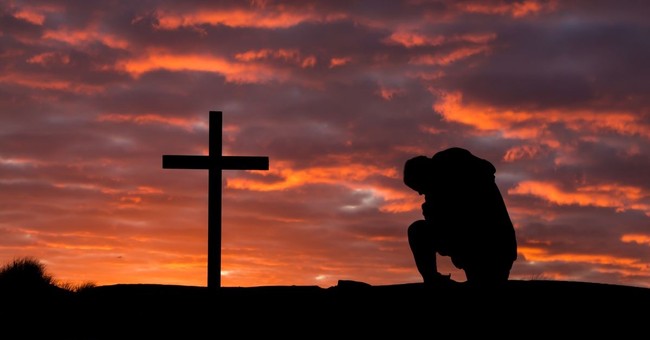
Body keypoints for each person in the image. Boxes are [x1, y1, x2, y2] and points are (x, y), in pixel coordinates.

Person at [404, 147, 517, 286]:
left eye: (418, 186)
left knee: (417, 230)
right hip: (481, 248)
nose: (420, 193)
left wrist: (433, 210)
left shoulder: (455, 170)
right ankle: (432, 279)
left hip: (493, 247)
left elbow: (455, 217)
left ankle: (432, 280)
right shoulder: (438, 190)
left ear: (423, 175)